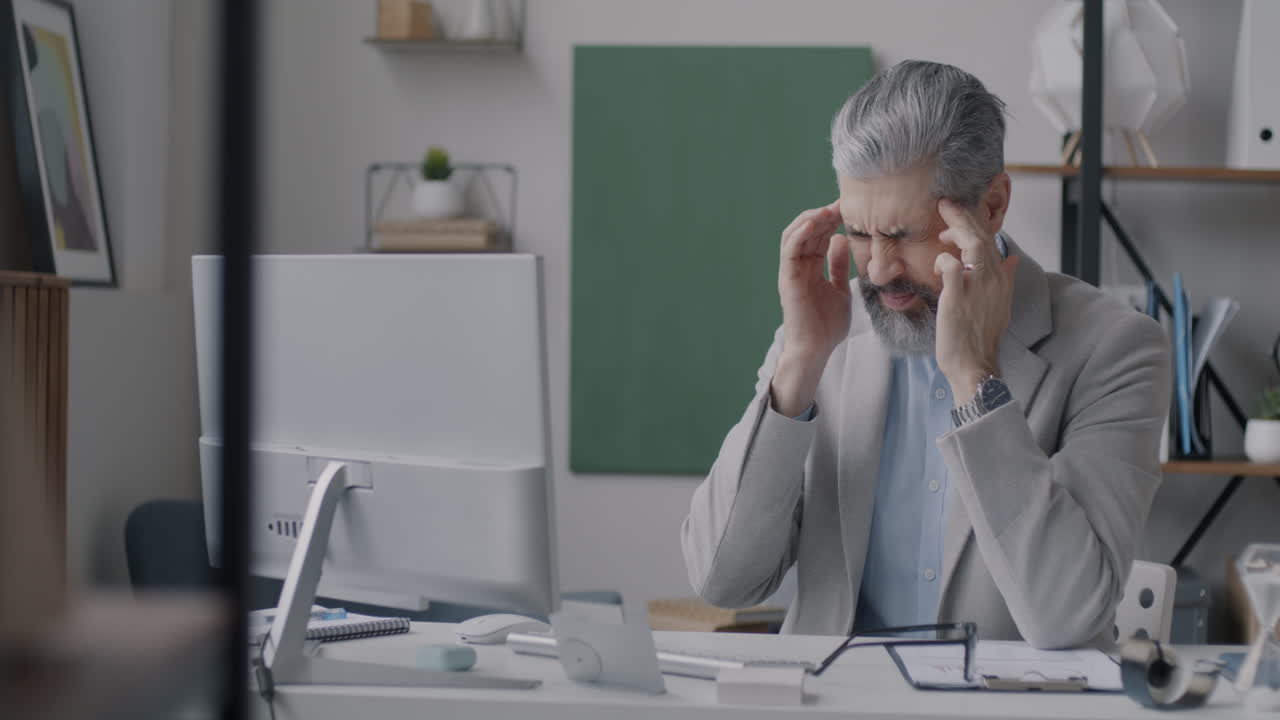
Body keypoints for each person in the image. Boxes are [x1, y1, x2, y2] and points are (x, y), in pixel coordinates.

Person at [681, 60, 1170, 649]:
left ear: (990, 208)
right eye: (860, 233)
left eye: (902, 234)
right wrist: (801, 360)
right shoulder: (826, 327)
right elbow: (722, 580)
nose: (879, 269)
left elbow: (1069, 618)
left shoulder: (1116, 349)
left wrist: (976, 380)